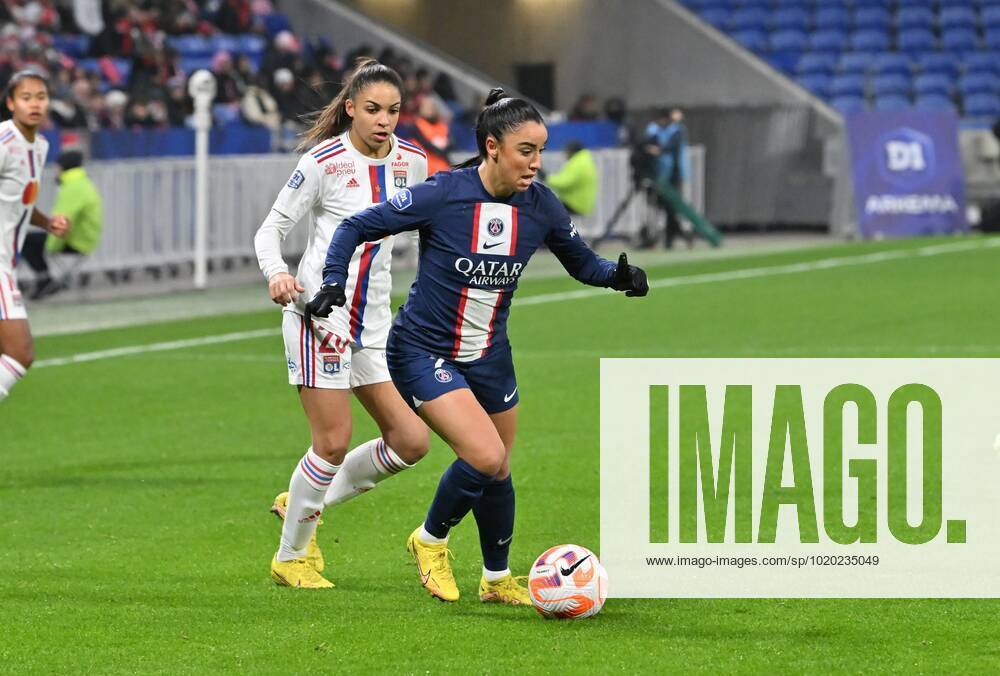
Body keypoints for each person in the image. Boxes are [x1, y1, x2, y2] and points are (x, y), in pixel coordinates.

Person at [307, 88, 648, 605]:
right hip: (422, 351)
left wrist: (618, 277)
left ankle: (495, 580)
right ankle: (428, 541)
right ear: (492, 146)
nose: (536, 163)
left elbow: (582, 263)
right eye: (525, 151)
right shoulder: (444, 194)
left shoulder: (542, 207)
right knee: (485, 455)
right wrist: (333, 279)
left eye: (540, 150)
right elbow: (356, 225)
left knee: (499, 465)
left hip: (489, 354)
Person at [253, 58, 431, 589]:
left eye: (393, 111)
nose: (384, 120)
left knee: (411, 441)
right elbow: (271, 230)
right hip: (320, 317)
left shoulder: (414, 163)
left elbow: (424, 237)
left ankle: (304, 502)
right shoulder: (323, 162)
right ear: (350, 108)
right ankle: (291, 558)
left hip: (374, 324)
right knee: (332, 441)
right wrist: (277, 274)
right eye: (373, 109)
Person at [0, 70, 70, 402]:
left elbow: (21, 200)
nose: (34, 104)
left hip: (7, 262)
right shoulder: (4, 142)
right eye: (26, 97)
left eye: (41, 97)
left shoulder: (39, 146)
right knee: (19, 352)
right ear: (11, 103)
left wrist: (45, 222)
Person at [21, 150, 103, 299]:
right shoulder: (82, 184)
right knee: (31, 239)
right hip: (83, 238)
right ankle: (45, 280)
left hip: (75, 241)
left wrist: (51, 246)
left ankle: (44, 280)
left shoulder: (72, 188)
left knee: (26, 241)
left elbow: (61, 221)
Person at [645, 107, 693, 249]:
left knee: (670, 207)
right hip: (659, 174)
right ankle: (678, 234)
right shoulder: (655, 129)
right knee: (666, 207)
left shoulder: (676, 130)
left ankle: (671, 238)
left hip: (672, 174)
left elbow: (669, 147)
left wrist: (656, 150)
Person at [544, 140, 598, 217]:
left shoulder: (578, 164)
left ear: (571, 151)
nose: (565, 155)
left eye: (566, 152)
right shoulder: (584, 160)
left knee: (542, 209)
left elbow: (564, 183)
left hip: (575, 204)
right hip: (580, 203)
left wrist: (547, 178)